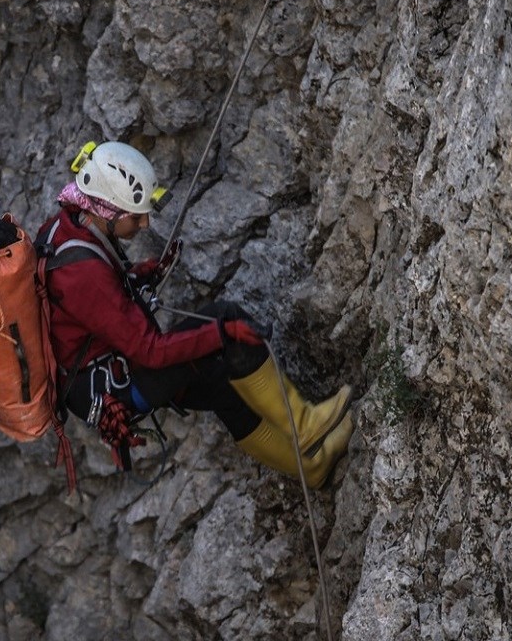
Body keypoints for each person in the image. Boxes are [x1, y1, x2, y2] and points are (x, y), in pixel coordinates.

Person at [37, 141, 355, 488]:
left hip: (102, 379)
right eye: (136, 215)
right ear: (108, 210)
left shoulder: (69, 225)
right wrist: (221, 334)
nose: (144, 224)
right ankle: (306, 428)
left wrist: (142, 274)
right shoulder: (82, 272)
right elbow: (151, 351)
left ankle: (313, 469)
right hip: (120, 387)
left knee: (221, 387)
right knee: (223, 318)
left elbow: (96, 308)